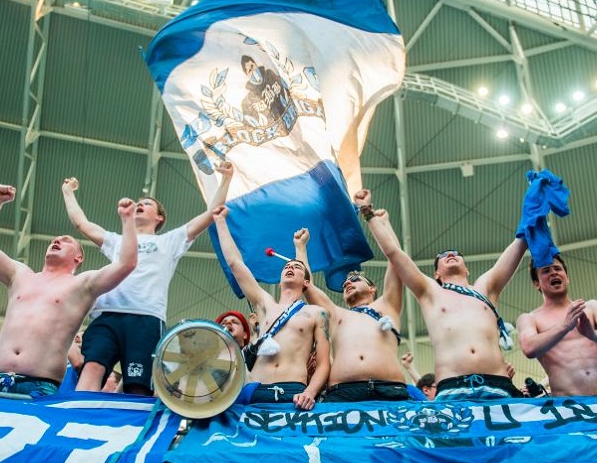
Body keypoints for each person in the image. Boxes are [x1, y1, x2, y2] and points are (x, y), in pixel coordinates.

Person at [61, 161, 234, 395]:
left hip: (146, 318)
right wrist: (67, 192)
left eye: (147, 204)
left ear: (159, 217)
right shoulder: (116, 240)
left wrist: (225, 179)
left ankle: (132, 430)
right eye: (138, 204)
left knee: (138, 385)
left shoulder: (170, 241)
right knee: (92, 368)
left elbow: (209, 214)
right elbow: (81, 224)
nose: (140, 205)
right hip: (107, 314)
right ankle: (75, 418)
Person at [0, 184, 138, 396]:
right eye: (53, 240)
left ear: (79, 257)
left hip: (40, 385)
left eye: (66, 240)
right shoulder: (20, 274)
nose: (56, 240)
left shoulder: (82, 284)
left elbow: (126, 264)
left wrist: (128, 220)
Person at [357, 189, 526, 400]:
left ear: (467, 270)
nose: (451, 255)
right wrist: (367, 212)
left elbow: (517, 247)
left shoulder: (485, 288)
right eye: (444, 256)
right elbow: (394, 253)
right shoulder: (430, 291)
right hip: (451, 387)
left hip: (498, 385)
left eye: (456, 254)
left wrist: (532, 218)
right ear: (436, 273)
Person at [213, 205, 329, 409]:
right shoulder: (265, 304)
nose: (290, 267)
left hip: (294, 393)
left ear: (306, 282)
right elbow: (235, 263)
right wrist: (221, 222)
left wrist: (310, 392)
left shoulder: (315, 313)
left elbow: (323, 363)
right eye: (287, 267)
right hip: (254, 390)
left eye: (296, 267)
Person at [293, 220, 408, 402]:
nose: (347, 282)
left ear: (372, 289)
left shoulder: (387, 306)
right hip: (343, 394)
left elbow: (396, 261)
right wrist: (300, 247)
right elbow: (306, 284)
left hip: (390, 391)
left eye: (355, 279)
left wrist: (384, 223)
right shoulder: (336, 314)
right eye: (345, 282)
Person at [517, 256, 597, 396]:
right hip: (568, 406)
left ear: (567, 277)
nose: (554, 273)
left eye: (558, 269)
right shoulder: (529, 318)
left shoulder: (591, 307)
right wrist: (565, 326)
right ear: (536, 283)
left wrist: (592, 335)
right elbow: (529, 348)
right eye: (546, 271)